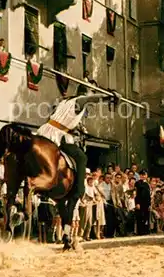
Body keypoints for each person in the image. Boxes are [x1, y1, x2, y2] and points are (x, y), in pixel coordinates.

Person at [35, 88, 121, 234]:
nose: (91, 96)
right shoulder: (79, 100)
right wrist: (109, 96)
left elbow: (61, 120)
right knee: (82, 157)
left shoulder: (64, 102)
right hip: (57, 137)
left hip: (46, 131)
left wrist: (76, 130)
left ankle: (66, 230)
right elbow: (91, 99)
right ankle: (78, 190)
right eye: (90, 92)